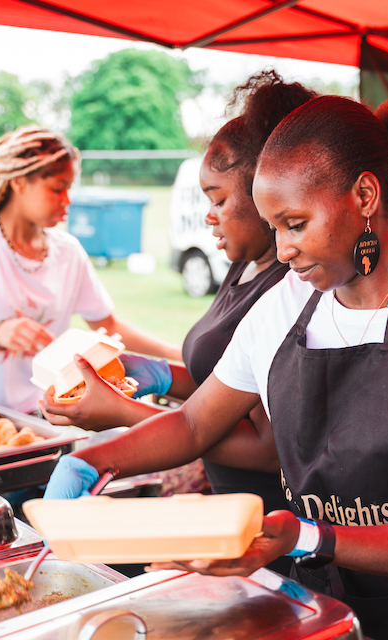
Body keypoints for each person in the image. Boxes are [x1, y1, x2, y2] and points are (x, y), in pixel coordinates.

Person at [43, 91, 388, 640]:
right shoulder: (286, 305)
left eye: (295, 223)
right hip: (325, 611)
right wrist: (95, 461)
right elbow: (196, 422)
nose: (283, 250)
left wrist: (309, 536)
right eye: (274, 226)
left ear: (363, 195)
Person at [40, 72, 317, 574]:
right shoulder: (243, 266)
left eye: (218, 200)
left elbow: (263, 444)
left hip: (265, 528)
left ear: (264, 192)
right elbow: (232, 383)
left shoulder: (289, 289)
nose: (208, 217)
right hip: (225, 511)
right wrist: (158, 372)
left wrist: (123, 413)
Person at [0, 126, 188, 414]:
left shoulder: (68, 252)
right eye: (58, 188)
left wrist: (176, 355)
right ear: (19, 182)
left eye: (70, 188)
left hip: (34, 415)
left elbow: (108, 326)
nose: (67, 200)